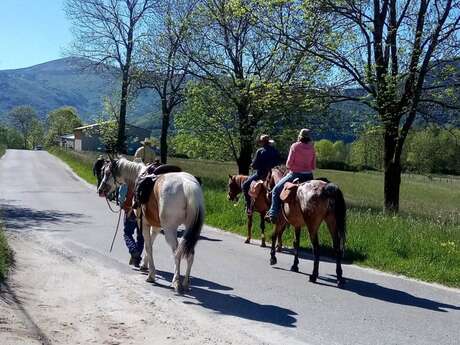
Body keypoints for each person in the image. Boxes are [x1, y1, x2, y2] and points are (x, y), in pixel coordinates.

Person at [266, 128, 316, 223]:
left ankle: (273, 214)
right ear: (309, 138)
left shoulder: (295, 146)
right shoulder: (312, 148)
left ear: (300, 137)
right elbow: (313, 166)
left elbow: (288, 164)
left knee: (276, 190)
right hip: (309, 176)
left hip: (295, 174)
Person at [242, 134, 281, 215]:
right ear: (269, 142)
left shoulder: (260, 151)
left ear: (262, 142)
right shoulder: (275, 150)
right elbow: (279, 161)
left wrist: (252, 165)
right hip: (273, 175)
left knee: (245, 185)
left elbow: (255, 165)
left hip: (261, 175)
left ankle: (249, 207)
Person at [118, 184, 144, 267]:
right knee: (141, 236)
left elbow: (121, 195)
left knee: (127, 233)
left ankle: (134, 251)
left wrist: (122, 204)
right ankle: (136, 259)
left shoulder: (128, 180)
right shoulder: (143, 179)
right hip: (142, 213)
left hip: (130, 211)